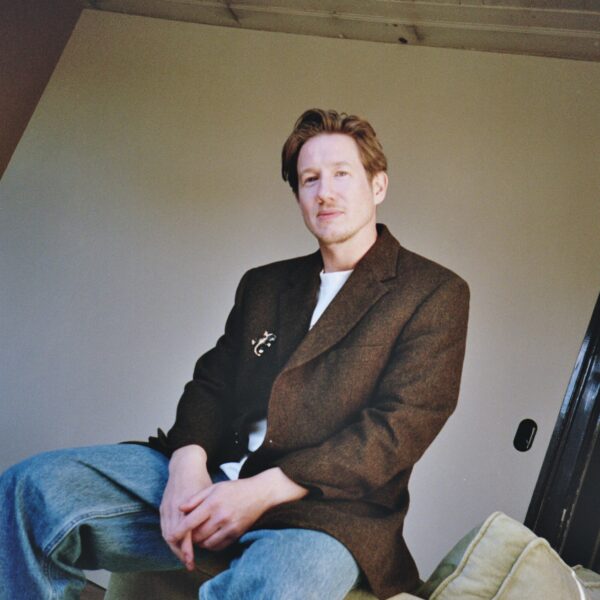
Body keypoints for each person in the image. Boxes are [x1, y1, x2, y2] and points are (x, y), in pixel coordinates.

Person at [0, 108, 469, 600]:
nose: (324, 192)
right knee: (29, 490)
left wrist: (261, 491)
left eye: (341, 174)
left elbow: (397, 430)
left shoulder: (433, 292)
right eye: (309, 179)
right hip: (214, 473)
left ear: (378, 185)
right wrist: (186, 463)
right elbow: (213, 384)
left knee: (283, 584)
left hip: (326, 513)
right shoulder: (264, 284)